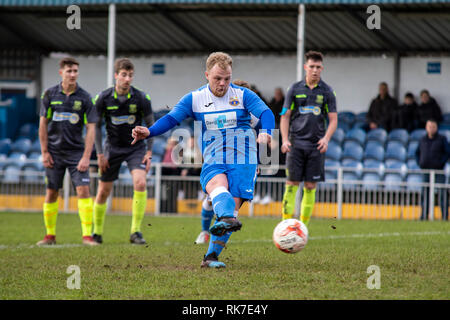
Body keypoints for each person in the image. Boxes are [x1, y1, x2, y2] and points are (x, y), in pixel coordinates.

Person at [132, 52, 275, 268]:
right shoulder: (195, 98)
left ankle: (210, 257)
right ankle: (221, 221)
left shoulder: (243, 95)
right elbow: (172, 118)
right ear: (207, 75)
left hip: (244, 159)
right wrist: (149, 132)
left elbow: (266, 113)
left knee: (231, 211)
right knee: (219, 189)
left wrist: (266, 131)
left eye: (227, 78)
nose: (223, 84)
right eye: (217, 78)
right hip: (214, 156)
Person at [92, 58, 154, 245]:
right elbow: (95, 126)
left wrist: (149, 152)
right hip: (112, 148)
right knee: (103, 191)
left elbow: (151, 126)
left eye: (130, 75)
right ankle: (97, 232)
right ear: (116, 76)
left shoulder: (142, 98)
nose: (127, 79)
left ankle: (135, 231)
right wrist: (100, 154)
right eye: (124, 75)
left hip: (136, 148)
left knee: (140, 183)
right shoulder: (102, 98)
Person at [37, 57, 98, 246]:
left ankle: (87, 236)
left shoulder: (85, 97)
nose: (73, 74)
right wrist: (45, 152)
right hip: (54, 152)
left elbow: (91, 128)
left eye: (75, 71)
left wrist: (86, 156)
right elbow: (42, 125)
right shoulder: (49, 94)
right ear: (61, 72)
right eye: (69, 71)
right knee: (51, 192)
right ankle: (50, 236)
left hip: (76, 153)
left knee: (83, 190)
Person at [280, 50, 338, 227]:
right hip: (296, 144)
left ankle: (302, 226)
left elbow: (334, 119)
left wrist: (326, 139)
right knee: (291, 184)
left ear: (322, 68)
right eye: (312, 66)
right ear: (306, 67)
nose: (315, 70)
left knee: (311, 186)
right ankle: (285, 225)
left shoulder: (328, 92)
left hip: (316, 146)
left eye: (318, 67)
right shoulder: (294, 89)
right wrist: (284, 139)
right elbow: (284, 115)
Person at [415, 119, 449, 221]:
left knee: (442, 193)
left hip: (438, 171)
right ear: (426, 127)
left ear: (436, 128)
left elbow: (447, 153)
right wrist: (420, 163)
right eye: (429, 126)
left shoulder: (442, 139)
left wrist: (440, 163)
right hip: (425, 171)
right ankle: (424, 216)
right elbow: (417, 153)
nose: (431, 128)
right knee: (425, 193)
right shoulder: (422, 139)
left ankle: (444, 216)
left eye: (433, 126)